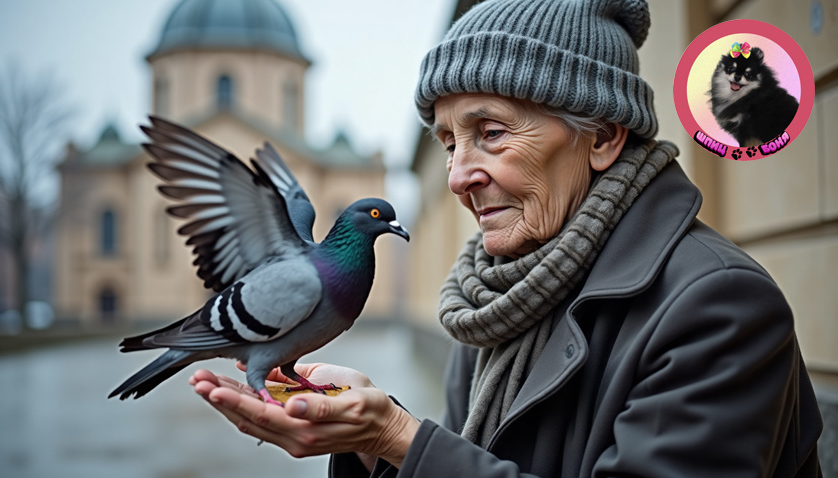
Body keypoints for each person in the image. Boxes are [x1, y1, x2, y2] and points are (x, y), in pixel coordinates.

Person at [190, 0, 824, 475]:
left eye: (491, 132)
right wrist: (368, 447)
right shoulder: (494, 302)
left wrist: (399, 439)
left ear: (601, 136)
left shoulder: (720, 307)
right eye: (446, 142)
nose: (458, 177)